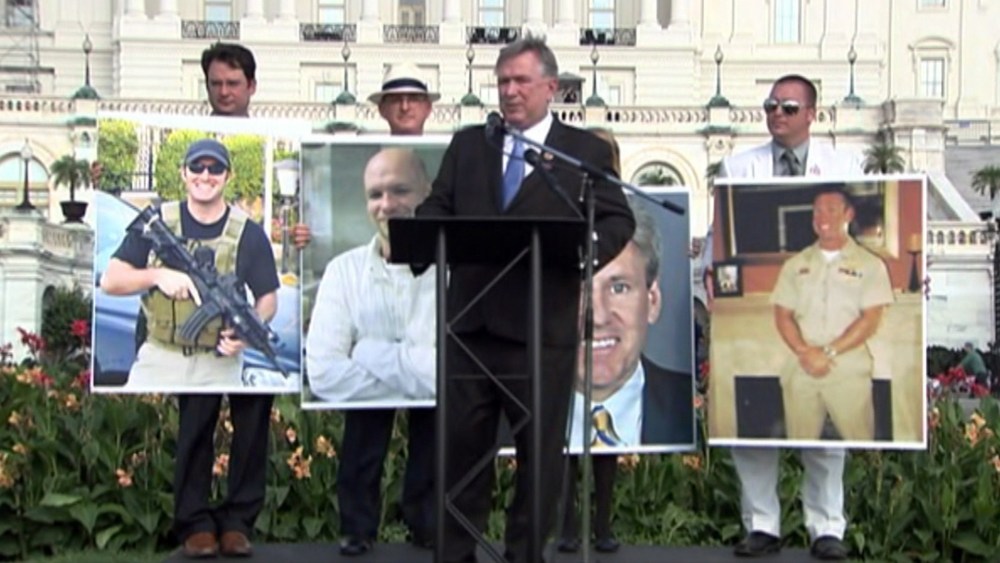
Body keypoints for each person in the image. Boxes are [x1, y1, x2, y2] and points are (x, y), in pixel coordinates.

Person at [416, 35, 635, 563]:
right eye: (502, 82)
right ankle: (455, 552)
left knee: (540, 458)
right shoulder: (470, 145)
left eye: (521, 81)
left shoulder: (582, 152)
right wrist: (419, 233)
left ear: (550, 87)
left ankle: (525, 554)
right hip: (470, 328)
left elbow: (616, 219)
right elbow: (438, 208)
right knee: (461, 453)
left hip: (542, 329)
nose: (509, 92)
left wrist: (582, 252)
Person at [101, 138, 278, 558]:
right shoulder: (158, 223)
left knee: (252, 424)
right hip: (163, 353)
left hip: (220, 358)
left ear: (227, 176)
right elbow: (111, 280)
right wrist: (157, 276)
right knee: (190, 432)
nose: (205, 176)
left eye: (214, 169)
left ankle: (237, 523)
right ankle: (194, 523)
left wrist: (250, 328)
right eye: (197, 168)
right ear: (183, 173)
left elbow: (268, 296)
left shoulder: (247, 233)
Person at [712, 74, 865, 561]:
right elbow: (720, 240)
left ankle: (826, 527)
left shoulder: (844, 167)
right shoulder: (738, 167)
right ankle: (762, 525)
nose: (777, 113)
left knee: (824, 421)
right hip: (759, 310)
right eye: (770, 105)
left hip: (826, 312)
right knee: (755, 419)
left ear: (812, 114)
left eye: (789, 107)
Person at [295, 64, 439, 557]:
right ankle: (357, 528)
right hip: (372, 399)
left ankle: (426, 525)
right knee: (362, 442)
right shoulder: (343, 271)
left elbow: (450, 371)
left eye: (400, 191)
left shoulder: (448, 268)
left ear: (425, 193)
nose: (387, 204)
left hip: (407, 387)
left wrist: (370, 353)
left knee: (432, 440)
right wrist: (415, 367)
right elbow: (324, 371)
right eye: (376, 194)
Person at [559, 194, 693, 554]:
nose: (597, 315)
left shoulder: (680, 404)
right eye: (578, 287)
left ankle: (603, 526)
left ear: (652, 301)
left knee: (604, 461)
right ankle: (566, 527)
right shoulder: (520, 406)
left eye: (618, 288)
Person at [771, 187, 893, 442]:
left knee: (862, 447)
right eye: (817, 211)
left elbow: (871, 319)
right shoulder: (795, 265)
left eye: (831, 210)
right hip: (801, 367)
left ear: (848, 214)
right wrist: (805, 352)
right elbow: (782, 315)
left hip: (847, 369)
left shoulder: (871, 265)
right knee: (799, 448)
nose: (822, 217)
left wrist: (827, 353)